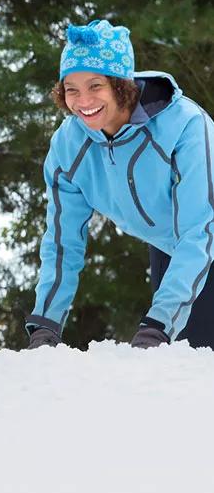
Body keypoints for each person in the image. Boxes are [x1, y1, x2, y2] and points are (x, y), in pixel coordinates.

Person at [26, 19, 214, 350]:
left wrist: (157, 322)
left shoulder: (185, 125)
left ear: (120, 84)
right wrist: (45, 322)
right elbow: (62, 240)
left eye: (95, 85)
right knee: (186, 364)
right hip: (173, 248)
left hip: (200, 233)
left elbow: (200, 228)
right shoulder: (68, 147)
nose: (83, 100)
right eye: (72, 89)